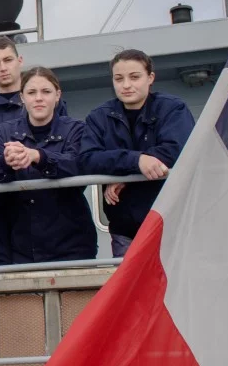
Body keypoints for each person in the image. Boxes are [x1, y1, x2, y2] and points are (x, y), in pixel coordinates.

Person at [79, 49, 195, 256]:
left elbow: (176, 149)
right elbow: (88, 158)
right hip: (124, 231)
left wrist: (128, 177)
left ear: (150, 78)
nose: (126, 85)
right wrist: (137, 161)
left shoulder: (173, 109)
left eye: (134, 77)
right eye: (119, 78)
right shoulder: (99, 117)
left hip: (170, 224)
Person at [0, 67, 97, 263]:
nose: (39, 98)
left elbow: (80, 164)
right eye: (32, 92)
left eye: (46, 91)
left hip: (72, 243)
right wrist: (6, 162)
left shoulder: (77, 129)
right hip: (23, 245)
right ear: (22, 97)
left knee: (76, 295)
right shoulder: (4, 131)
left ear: (57, 95)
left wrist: (38, 156)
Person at [0, 36, 67, 138]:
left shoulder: (49, 102)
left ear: (20, 61)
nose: (3, 68)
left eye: (8, 60)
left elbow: (64, 142)